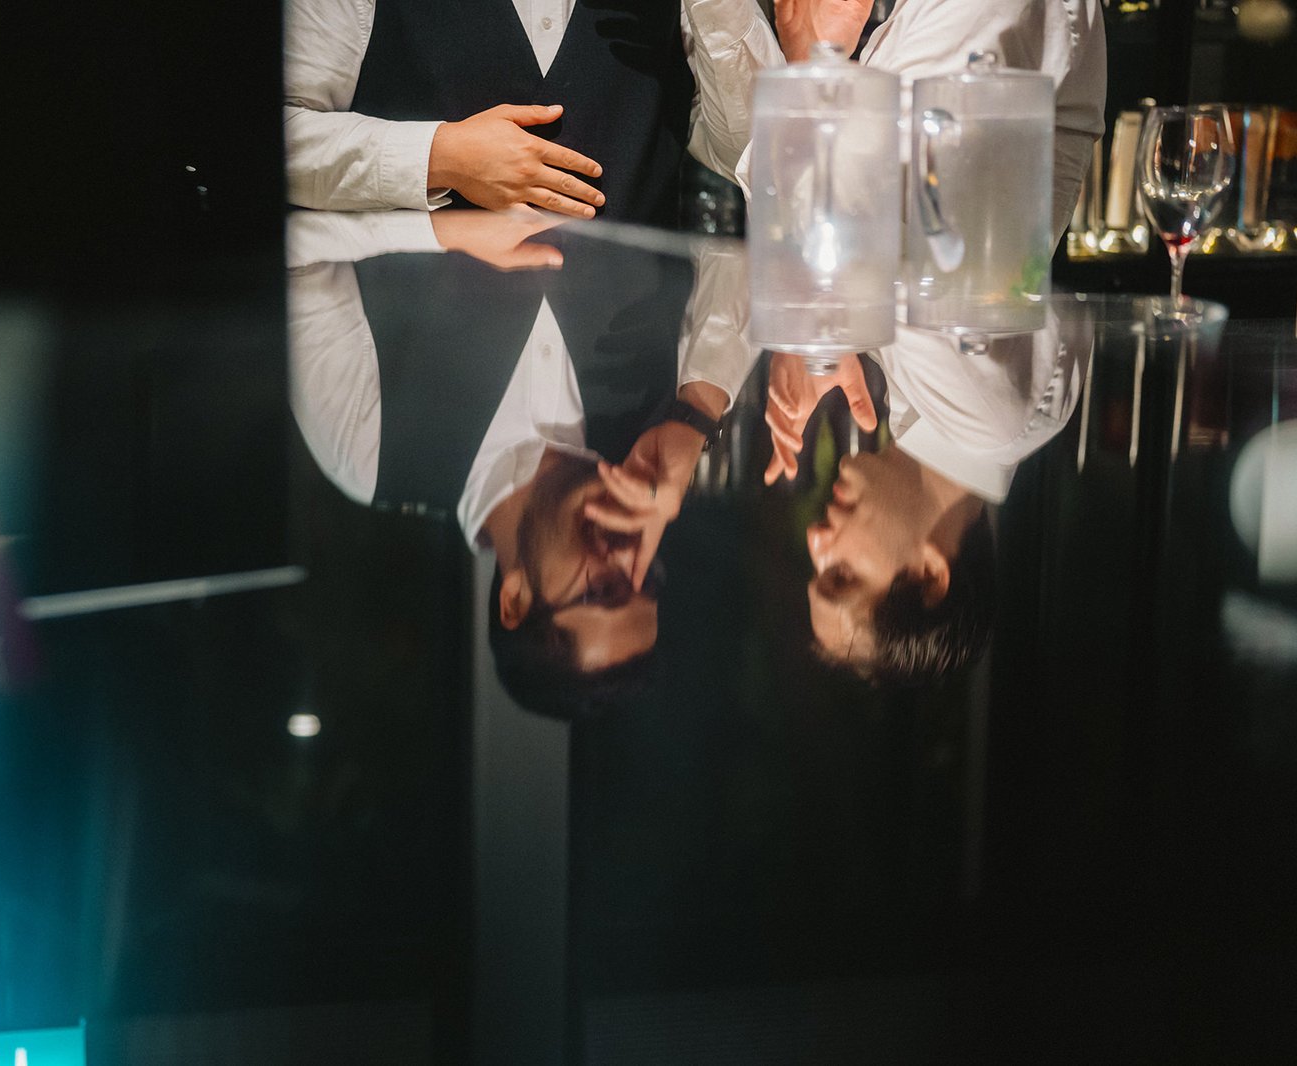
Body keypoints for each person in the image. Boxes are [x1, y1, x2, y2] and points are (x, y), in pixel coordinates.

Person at [287, 209, 758, 713]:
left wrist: (443, 226)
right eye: (647, 579)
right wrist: (698, 412)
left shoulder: (370, 454)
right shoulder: (661, 431)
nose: (630, 556)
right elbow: (743, 228)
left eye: (603, 590)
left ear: (515, 599)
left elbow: (288, 245)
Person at [765, 304, 1090, 682]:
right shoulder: (983, 418)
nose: (814, 539)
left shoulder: (964, 423)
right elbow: (882, 276)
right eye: (841, 576)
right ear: (929, 574)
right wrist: (815, 327)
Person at [284, 0, 782, 225]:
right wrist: (438, 156)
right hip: (423, 358)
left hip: (628, 386)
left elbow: (765, 160)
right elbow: (278, 140)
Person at [753, 0, 1108, 243]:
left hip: (945, 322)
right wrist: (816, 69)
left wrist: (808, 72)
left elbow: (849, 207)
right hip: (893, 320)